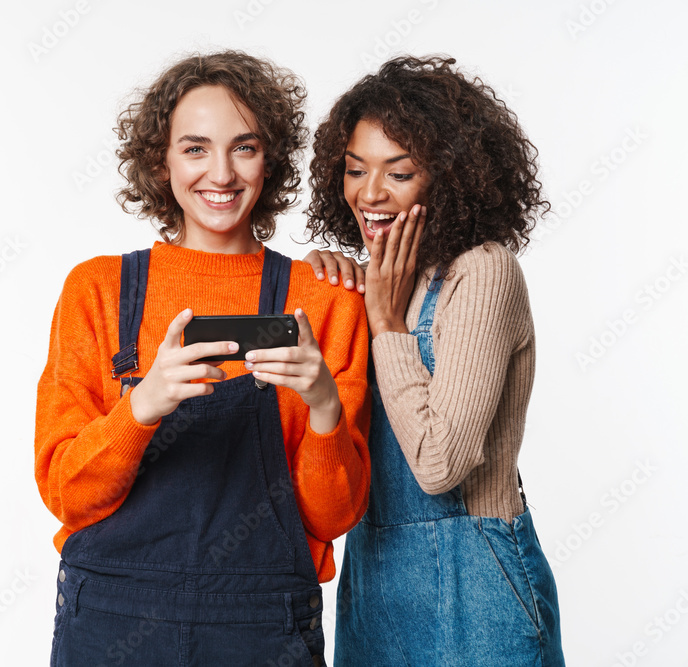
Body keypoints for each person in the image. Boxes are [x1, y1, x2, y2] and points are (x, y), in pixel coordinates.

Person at [35, 51, 371, 666]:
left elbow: (331, 518)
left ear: (270, 160)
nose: (221, 172)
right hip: (113, 619)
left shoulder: (325, 302)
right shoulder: (98, 290)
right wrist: (142, 407)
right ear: (160, 162)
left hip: (262, 624)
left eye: (243, 147)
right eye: (194, 148)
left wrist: (323, 405)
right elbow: (67, 494)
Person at [304, 56, 565, 665]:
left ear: (449, 178)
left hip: (478, 578)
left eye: (399, 173)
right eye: (354, 171)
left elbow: (442, 464)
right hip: (373, 577)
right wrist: (336, 293)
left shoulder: (483, 272)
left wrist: (387, 326)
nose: (369, 194)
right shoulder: (377, 283)